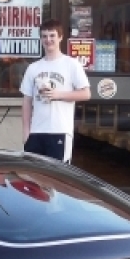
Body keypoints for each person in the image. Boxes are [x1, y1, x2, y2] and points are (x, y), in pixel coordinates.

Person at [20, 19, 91, 162]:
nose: (48, 40)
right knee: (33, 178)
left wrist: (58, 94)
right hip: (36, 132)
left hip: (60, 131)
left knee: (56, 178)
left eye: (52, 35)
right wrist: (26, 132)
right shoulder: (33, 68)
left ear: (60, 37)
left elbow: (86, 94)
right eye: (44, 36)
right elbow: (27, 102)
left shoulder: (71, 64)